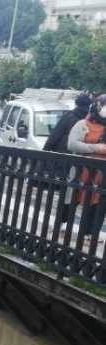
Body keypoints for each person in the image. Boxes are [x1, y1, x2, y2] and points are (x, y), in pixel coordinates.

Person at [67, 94, 106, 238]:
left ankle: (92, 233)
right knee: (78, 201)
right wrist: (96, 148)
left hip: (103, 172)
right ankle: (69, 228)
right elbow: (72, 144)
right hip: (84, 170)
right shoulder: (83, 124)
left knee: (100, 204)